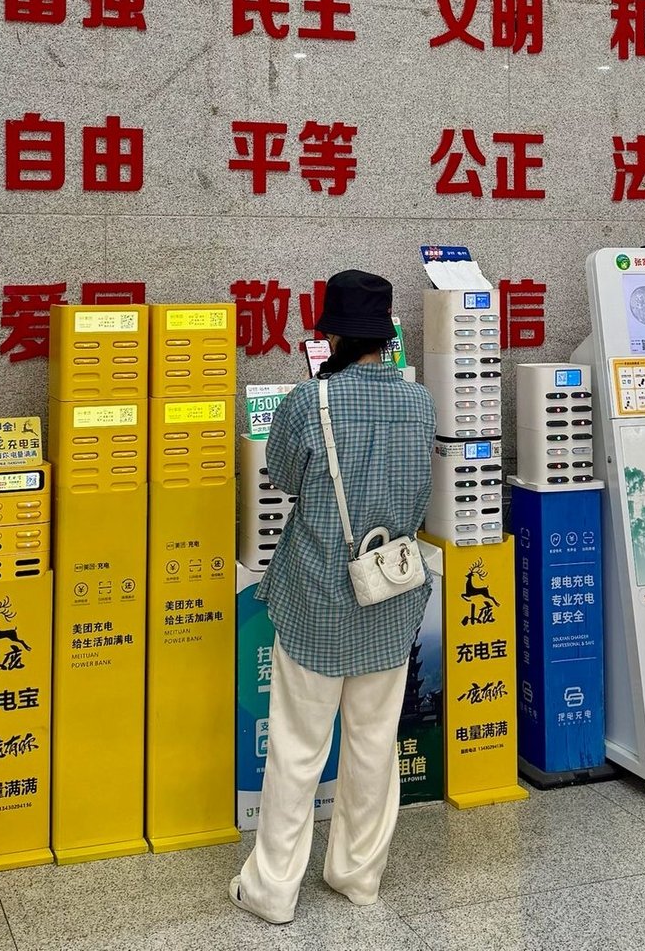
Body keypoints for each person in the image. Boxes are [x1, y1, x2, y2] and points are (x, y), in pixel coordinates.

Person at [231, 269, 436, 925]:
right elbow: (420, 493)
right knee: (374, 743)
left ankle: (273, 889)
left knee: (297, 745)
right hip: (390, 597)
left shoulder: (309, 401)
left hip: (318, 599)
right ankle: (357, 876)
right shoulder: (420, 402)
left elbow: (283, 475)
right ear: (385, 335)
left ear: (333, 335)